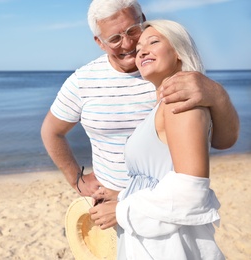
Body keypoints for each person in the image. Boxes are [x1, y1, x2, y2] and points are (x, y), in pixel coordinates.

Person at [41, 0, 238, 220]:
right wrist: (77, 180)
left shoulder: (175, 80)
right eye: (114, 38)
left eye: (132, 31)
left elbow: (221, 143)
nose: (127, 44)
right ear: (99, 42)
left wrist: (218, 96)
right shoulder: (82, 81)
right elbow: (51, 131)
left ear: (142, 21)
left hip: (165, 211)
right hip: (109, 205)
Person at [91, 19, 225, 259]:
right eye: (139, 46)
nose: (141, 50)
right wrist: (121, 195)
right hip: (151, 240)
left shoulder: (179, 105)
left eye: (153, 42)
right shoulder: (162, 106)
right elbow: (160, 178)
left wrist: (121, 211)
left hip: (168, 246)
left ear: (179, 53)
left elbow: (191, 195)